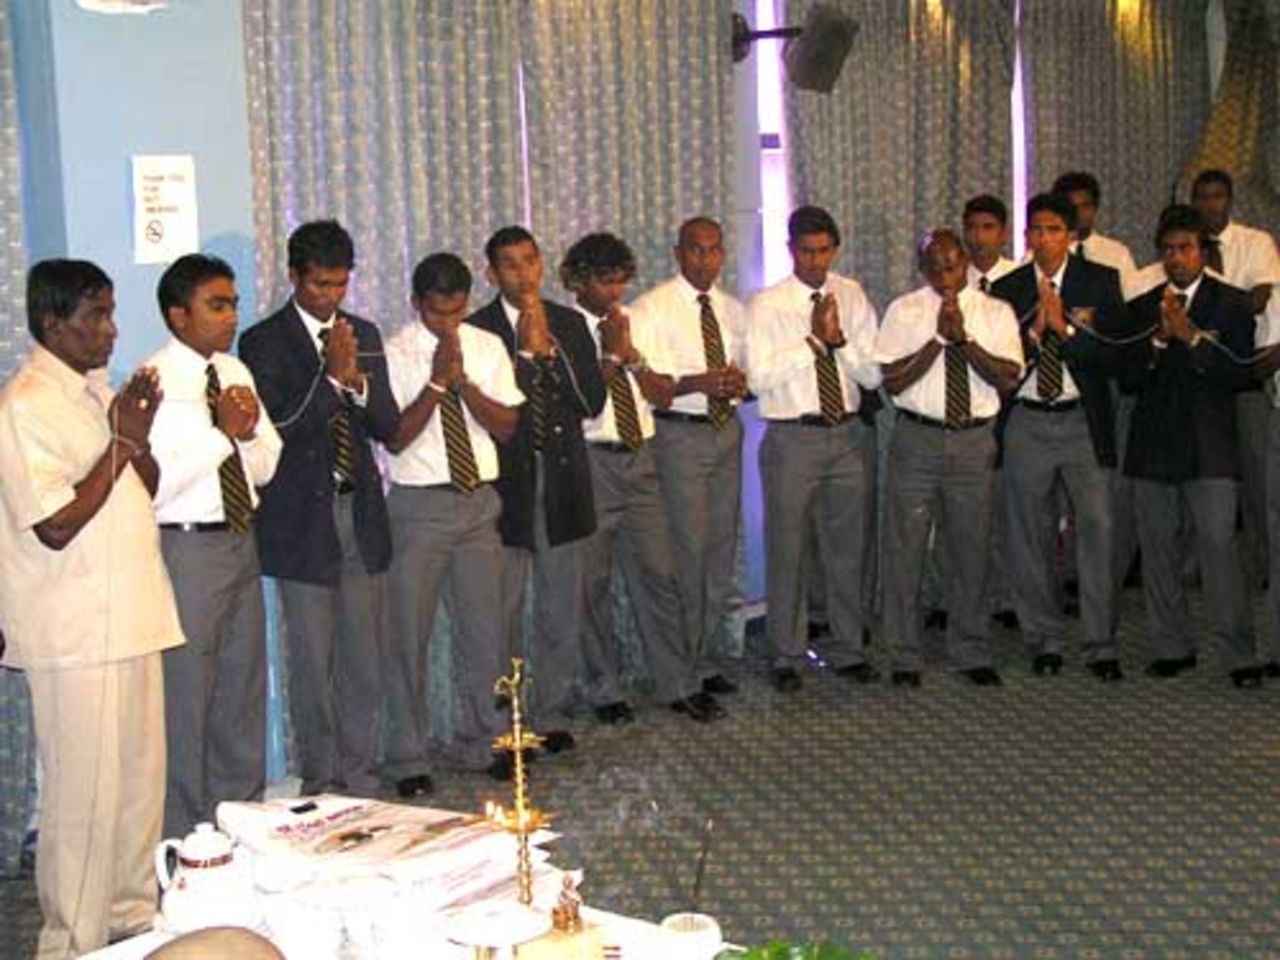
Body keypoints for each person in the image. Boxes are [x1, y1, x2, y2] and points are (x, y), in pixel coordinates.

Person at [0, 259, 184, 957]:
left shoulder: (97, 391)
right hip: (73, 629)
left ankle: (130, 922)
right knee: (83, 801)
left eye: (109, 313)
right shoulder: (25, 404)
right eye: (95, 315)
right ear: (53, 323)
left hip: (132, 613)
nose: (111, 329)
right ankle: (71, 942)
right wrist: (122, 442)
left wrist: (135, 436)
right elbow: (54, 524)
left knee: (138, 789)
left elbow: (146, 485)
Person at [239, 220, 399, 797]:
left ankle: (362, 775)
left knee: (364, 659)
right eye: (319, 285)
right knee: (313, 663)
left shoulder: (364, 332)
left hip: (359, 512)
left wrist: (357, 385)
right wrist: (331, 381)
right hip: (303, 523)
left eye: (339, 284)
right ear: (293, 276)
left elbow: (388, 425)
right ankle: (323, 779)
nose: (330, 297)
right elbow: (279, 430)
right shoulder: (262, 342)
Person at [146, 254, 282, 836]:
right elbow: (154, 488)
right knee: (187, 694)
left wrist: (245, 436)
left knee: (241, 684)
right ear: (179, 315)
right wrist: (221, 433)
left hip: (239, 538)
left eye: (233, 304)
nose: (230, 316)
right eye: (216, 305)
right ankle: (183, 831)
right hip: (186, 548)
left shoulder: (234, 371)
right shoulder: (152, 383)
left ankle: (239, 819)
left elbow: (267, 465)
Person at [563, 232, 722, 723]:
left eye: (620, 281)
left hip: (642, 456)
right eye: (604, 282)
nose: (614, 292)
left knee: (661, 573)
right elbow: (581, 403)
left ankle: (678, 683)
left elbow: (661, 393)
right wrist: (609, 356)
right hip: (592, 461)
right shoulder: (564, 329)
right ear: (578, 281)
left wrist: (630, 353)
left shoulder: (635, 320)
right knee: (591, 584)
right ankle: (604, 689)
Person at [382, 253, 522, 785]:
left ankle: (488, 741)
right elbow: (396, 437)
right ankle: (408, 757)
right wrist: (437, 383)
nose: (448, 323)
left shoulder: (485, 346)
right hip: (419, 509)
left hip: (478, 503)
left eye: (457, 312)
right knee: (407, 638)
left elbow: (507, 426)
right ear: (416, 303)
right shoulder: (395, 352)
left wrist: (464, 384)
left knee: (486, 632)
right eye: (437, 313)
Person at [466, 226, 606, 753]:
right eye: (510, 265)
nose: (523, 274)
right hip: (507, 484)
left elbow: (592, 401)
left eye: (530, 261)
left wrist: (550, 352)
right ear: (492, 273)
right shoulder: (477, 331)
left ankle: (553, 710)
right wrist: (525, 355)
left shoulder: (568, 323)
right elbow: (497, 414)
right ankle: (507, 719)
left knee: (559, 603)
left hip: (563, 477)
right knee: (501, 609)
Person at [990, 193, 1131, 681]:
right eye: (1036, 230)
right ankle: (1043, 637)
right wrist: (1035, 335)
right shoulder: (1007, 288)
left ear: (1070, 235)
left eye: (1053, 230)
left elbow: (1116, 357)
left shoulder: (1100, 281)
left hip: (1081, 421)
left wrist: (1066, 333)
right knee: (1029, 532)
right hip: (1028, 419)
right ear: (1026, 235)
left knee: (1098, 529)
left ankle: (1101, 642)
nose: (1044, 239)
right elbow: (999, 363)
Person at [1122, 204, 1264, 688]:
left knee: (1219, 548)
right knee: (1159, 549)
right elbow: (1127, 378)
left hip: (1210, 447)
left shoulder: (1233, 304)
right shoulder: (1144, 306)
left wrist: (1192, 338)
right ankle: (1171, 647)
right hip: (1154, 444)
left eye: (1185, 248)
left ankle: (1238, 655)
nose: (1176, 258)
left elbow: (1240, 373)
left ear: (1204, 252)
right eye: (1167, 250)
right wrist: (1160, 343)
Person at [874, 231, 1023, 687]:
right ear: (922, 269)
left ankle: (971, 647)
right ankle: (903, 654)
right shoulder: (904, 311)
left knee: (971, 548)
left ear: (966, 264)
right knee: (905, 550)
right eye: (935, 267)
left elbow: (1008, 378)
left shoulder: (995, 311)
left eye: (953, 266)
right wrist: (939, 339)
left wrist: (965, 341)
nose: (945, 276)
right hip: (916, 439)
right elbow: (893, 382)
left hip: (974, 441)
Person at [745, 205, 882, 692]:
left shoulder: (852, 294)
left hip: (845, 434)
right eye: (806, 251)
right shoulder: (767, 304)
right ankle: (786, 653)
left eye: (824, 251)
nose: (816, 261)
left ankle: (847, 648)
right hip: (792, 438)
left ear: (835, 249)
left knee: (847, 550)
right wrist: (813, 344)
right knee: (789, 550)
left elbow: (873, 375)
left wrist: (838, 341)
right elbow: (757, 379)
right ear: (791, 250)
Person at [629, 217, 747, 700]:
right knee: (686, 555)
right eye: (696, 250)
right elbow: (648, 385)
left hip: (726, 431)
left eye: (714, 249)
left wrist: (739, 383)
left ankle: (703, 656)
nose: (706, 259)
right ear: (678, 253)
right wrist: (700, 382)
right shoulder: (651, 308)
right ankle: (680, 670)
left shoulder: (732, 309)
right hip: (679, 436)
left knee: (720, 553)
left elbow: (745, 376)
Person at [1191, 168, 1280, 593]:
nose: (1210, 205)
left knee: (1257, 479)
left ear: (1229, 200)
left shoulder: (1255, 242)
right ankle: (1205, 568)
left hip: (1248, 375)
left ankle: (1262, 566)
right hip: (1201, 381)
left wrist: (1216, 311)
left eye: (1217, 196)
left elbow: (1261, 300)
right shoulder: (1186, 248)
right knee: (1205, 478)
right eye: (1202, 197)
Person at [1051, 172, 1139, 295]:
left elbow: (1131, 298)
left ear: (1095, 208)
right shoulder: (1042, 254)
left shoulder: (1118, 254)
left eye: (1085, 206)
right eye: (1072, 207)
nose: (1079, 213)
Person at [962, 194, 1018, 293]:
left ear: (1004, 233)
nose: (980, 236)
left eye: (988, 227)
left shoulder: (1019, 278)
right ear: (964, 233)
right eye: (972, 227)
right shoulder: (953, 279)